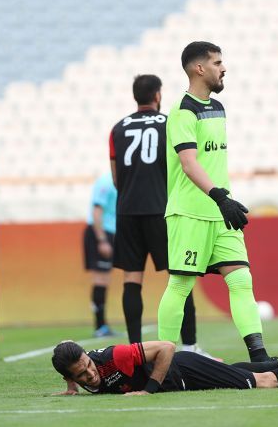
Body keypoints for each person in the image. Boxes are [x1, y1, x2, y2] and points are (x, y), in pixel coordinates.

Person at [157, 41, 270, 362]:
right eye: (217, 63)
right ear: (199, 68)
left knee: (241, 279)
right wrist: (220, 196)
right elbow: (189, 163)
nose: (224, 68)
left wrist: (224, 201)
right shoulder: (183, 110)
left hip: (222, 213)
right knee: (180, 285)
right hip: (190, 213)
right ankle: (163, 359)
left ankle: (260, 357)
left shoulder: (217, 108)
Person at [109, 74, 211, 356]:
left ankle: (134, 349)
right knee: (180, 278)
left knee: (132, 278)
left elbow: (116, 177)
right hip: (161, 211)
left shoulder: (117, 129)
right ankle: (189, 346)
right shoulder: (168, 123)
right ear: (157, 95)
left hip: (127, 211)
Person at [51, 340, 278, 395]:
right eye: (81, 375)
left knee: (262, 382)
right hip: (184, 377)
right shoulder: (76, 370)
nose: (90, 375)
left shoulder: (116, 356)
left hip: (183, 370)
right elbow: (68, 349)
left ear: (90, 357)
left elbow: (167, 348)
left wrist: (149, 391)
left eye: (89, 366)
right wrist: (71, 388)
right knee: (235, 372)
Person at [83, 171, 118, 337]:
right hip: (100, 233)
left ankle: (102, 325)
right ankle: (100, 326)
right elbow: (96, 211)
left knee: (105, 279)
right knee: (100, 279)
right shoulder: (106, 182)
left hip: (109, 233)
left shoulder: (119, 180)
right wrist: (102, 239)